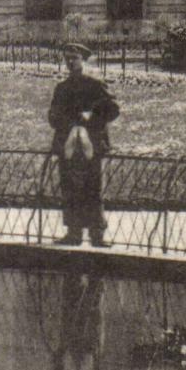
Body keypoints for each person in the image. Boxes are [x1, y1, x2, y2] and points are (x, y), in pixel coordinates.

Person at [48, 42, 121, 247]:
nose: (70, 62)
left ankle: (97, 234)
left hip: (92, 144)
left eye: (74, 58)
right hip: (69, 146)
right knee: (70, 188)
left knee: (93, 187)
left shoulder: (95, 85)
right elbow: (53, 117)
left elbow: (113, 110)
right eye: (67, 58)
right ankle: (74, 232)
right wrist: (72, 123)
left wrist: (91, 119)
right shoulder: (62, 88)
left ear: (83, 60)